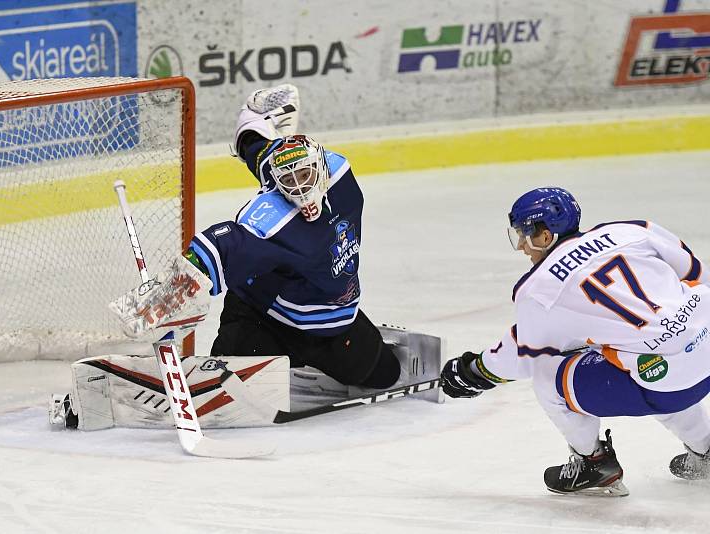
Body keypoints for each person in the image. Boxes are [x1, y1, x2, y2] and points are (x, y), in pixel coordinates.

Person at [440, 186, 710, 496]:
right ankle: (707, 449)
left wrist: (475, 372)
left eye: (524, 236)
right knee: (650, 354)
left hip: (667, 384)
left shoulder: (540, 288)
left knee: (551, 373)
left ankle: (592, 463)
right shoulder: (632, 230)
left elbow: (526, 355)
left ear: (544, 236)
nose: (521, 247)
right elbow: (696, 273)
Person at [180, 83, 407, 391]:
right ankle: (254, 356)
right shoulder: (273, 217)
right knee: (228, 389)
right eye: (287, 179)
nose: (298, 188)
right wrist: (176, 288)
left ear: (321, 168)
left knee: (384, 374)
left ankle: (254, 115)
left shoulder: (339, 174)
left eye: (304, 175)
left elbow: (262, 153)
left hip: (330, 322)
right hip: (263, 314)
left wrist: (254, 127)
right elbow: (225, 245)